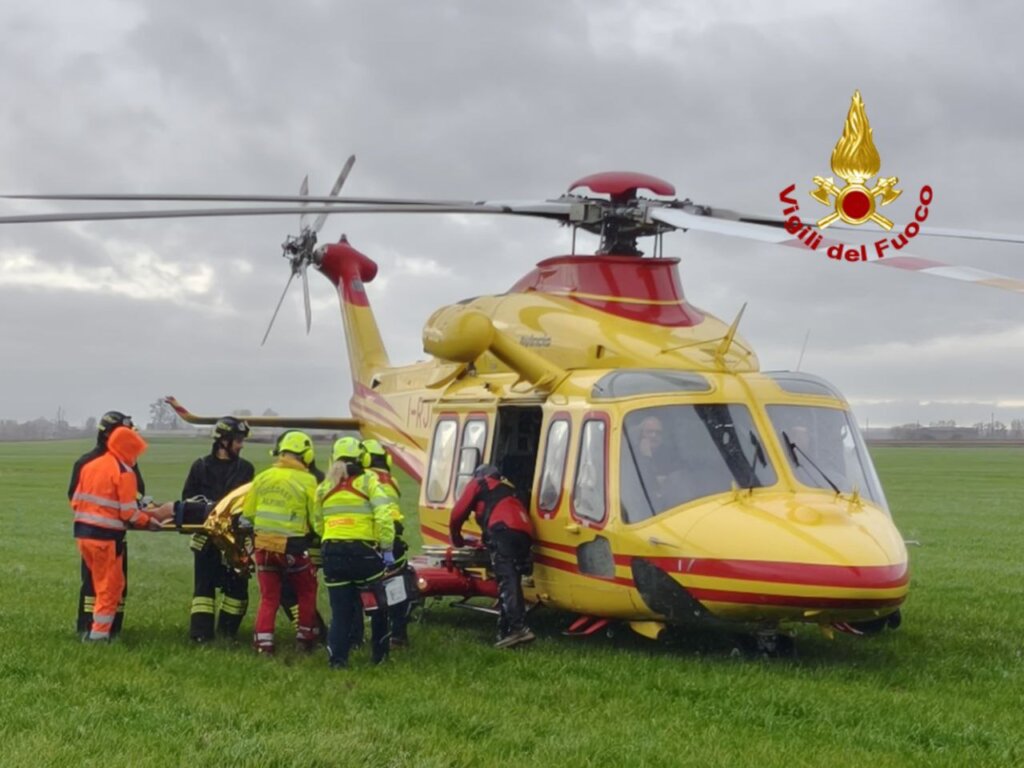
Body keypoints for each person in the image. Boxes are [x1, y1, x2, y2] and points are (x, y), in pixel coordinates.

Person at [70, 425, 174, 641]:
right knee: (110, 588)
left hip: (84, 536)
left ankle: (94, 631)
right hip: (106, 539)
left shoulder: (90, 466)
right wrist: (150, 521)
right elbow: (129, 513)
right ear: (128, 449)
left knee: (104, 583)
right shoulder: (124, 472)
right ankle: (99, 637)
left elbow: (76, 501)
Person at [316, 436, 396, 669]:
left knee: (340, 613)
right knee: (378, 609)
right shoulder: (369, 481)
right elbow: (384, 516)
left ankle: (337, 661)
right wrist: (387, 548)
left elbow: (318, 522)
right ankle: (380, 657)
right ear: (364, 458)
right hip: (364, 552)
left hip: (332, 552)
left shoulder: (324, 487)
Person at [67, 411, 145, 637]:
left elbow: (139, 492)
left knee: (115, 584)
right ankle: (92, 629)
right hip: (105, 535)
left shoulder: (122, 463)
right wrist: (146, 518)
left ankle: (111, 628)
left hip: (101, 534)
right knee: (99, 585)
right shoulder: (92, 463)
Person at [243, 430, 320, 655]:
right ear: (307, 455)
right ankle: (305, 639)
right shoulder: (308, 480)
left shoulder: (263, 477)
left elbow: (249, 513)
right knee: (306, 591)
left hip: (263, 545)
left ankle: (263, 644)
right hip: (292, 546)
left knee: (269, 597)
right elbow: (316, 518)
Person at [181, 416, 255, 642]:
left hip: (234, 541)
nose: (241, 445)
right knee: (203, 590)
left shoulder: (246, 469)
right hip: (205, 539)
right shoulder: (200, 466)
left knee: (237, 588)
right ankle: (201, 635)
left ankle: (227, 632)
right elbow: (187, 500)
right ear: (224, 441)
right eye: (238, 440)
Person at [450, 464, 535, 649]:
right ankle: (505, 632)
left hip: (504, 532)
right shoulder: (509, 490)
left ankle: (518, 629)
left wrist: (456, 538)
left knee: (506, 580)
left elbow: (457, 513)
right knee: (512, 580)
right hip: (525, 535)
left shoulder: (479, 483)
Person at [360, 438, 413, 648]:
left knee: (364, 589)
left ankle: (363, 637)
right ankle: (397, 635)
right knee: (397, 589)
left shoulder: (362, 479)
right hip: (392, 540)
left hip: (370, 541)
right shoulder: (392, 481)